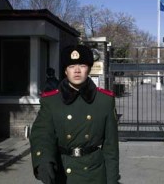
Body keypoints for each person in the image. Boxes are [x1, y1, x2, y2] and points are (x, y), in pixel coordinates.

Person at [30, 45, 119, 184]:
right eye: (71, 66)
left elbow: (111, 149)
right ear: (65, 70)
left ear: (89, 69)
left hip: (94, 174)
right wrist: (43, 161)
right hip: (63, 173)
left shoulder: (104, 101)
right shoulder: (52, 101)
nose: (77, 71)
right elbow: (42, 134)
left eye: (82, 65)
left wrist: (112, 181)